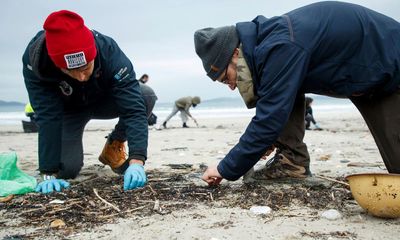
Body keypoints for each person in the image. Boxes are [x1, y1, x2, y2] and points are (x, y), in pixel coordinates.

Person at [193, 1, 400, 185]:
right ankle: (293, 162)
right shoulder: (267, 45)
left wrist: (224, 168)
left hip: (389, 66)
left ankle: (293, 162)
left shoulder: (279, 46)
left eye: (225, 77)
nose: (230, 85)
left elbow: (269, 120)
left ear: (235, 53)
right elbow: (278, 97)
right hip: (363, 78)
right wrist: (271, 140)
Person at [23, 10, 155, 194]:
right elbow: (47, 116)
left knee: (145, 95)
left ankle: (114, 145)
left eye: (86, 68)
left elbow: (133, 108)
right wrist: (48, 173)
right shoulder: (36, 62)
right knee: (67, 170)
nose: (81, 77)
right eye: (71, 72)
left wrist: (137, 161)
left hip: (103, 100)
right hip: (68, 111)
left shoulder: (109, 51)